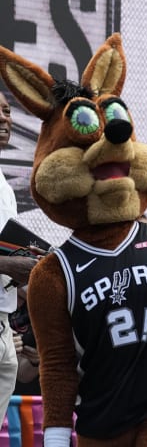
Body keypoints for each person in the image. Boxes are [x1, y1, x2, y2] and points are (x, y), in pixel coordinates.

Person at [0, 92, 40, 420]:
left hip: (4, 326)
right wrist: (10, 263)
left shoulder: (5, 188)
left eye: (8, 111)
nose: (5, 119)